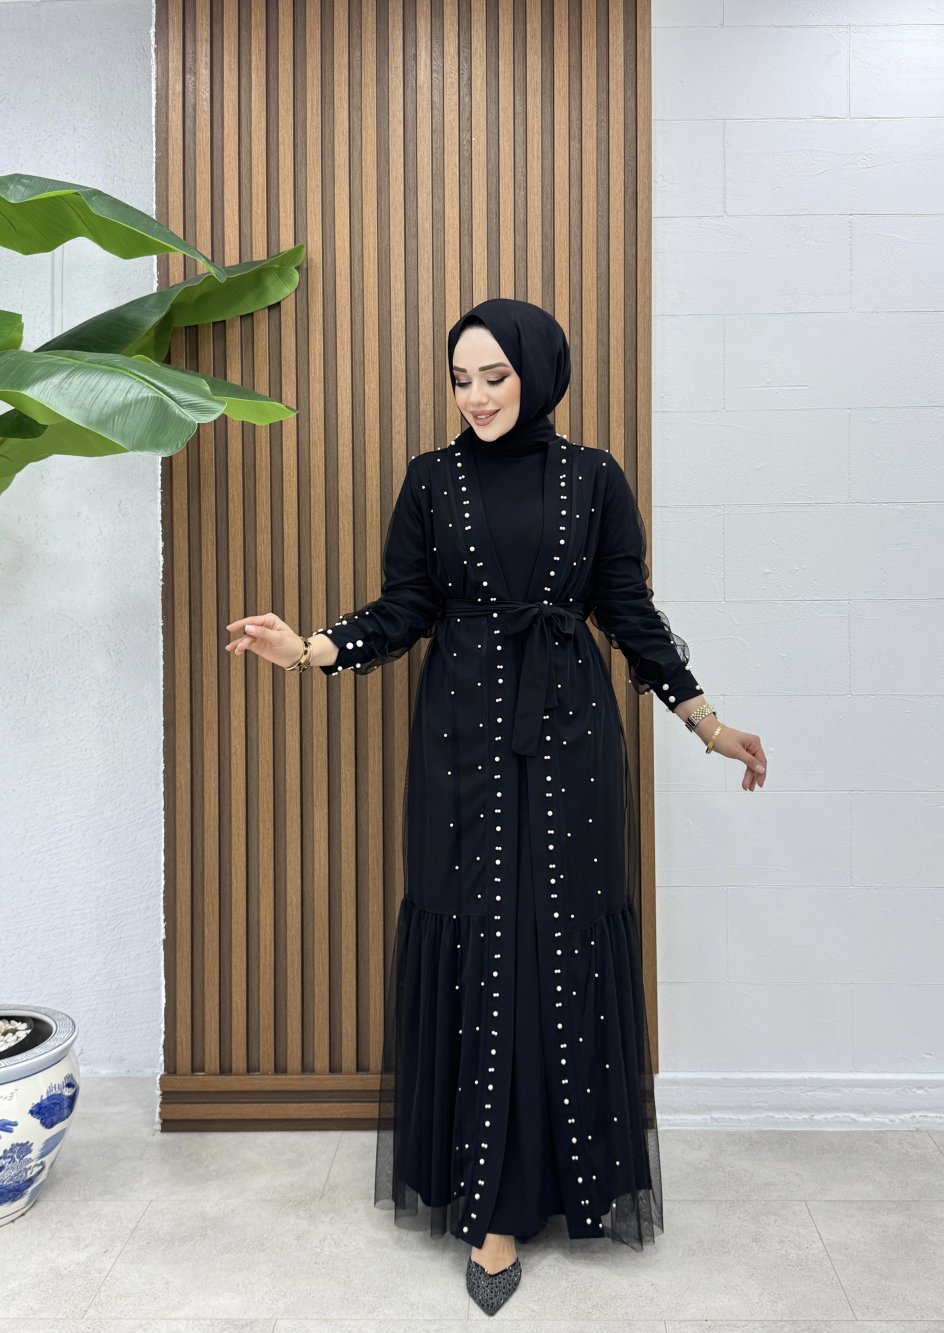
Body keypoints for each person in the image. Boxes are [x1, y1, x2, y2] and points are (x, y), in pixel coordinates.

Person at [226, 297, 767, 1316]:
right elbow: (404, 610)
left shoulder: (594, 478)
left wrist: (706, 722)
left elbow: (629, 612)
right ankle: (489, 1208)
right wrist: (308, 648)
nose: (475, 396)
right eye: (460, 379)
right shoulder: (430, 481)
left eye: (495, 376)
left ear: (537, 373)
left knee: (559, 944)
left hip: (571, 740)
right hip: (460, 743)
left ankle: (564, 1182)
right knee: (478, 942)